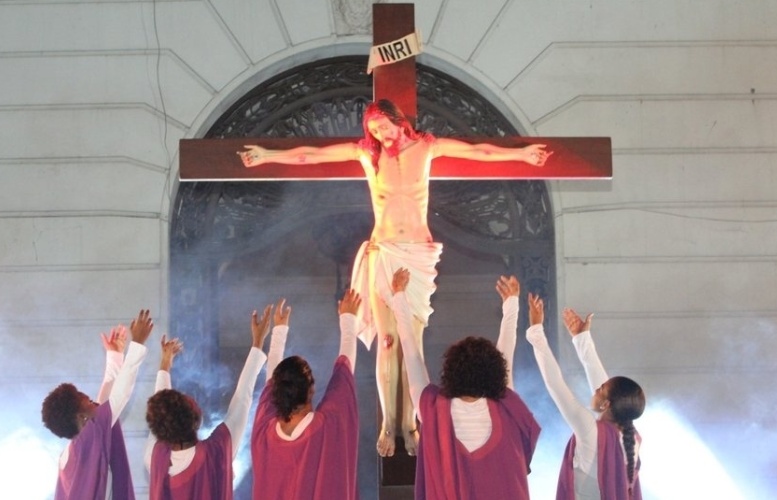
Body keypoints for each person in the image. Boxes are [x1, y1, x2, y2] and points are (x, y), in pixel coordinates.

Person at [239, 99, 551, 457]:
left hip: (417, 255)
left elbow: (479, 150)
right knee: (388, 342)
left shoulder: (428, 147)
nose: (381, 135)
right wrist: (265, 155)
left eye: (383, 127)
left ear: (397, 121)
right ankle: (390, 423)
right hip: (384, 252)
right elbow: (311, 155)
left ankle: (410, 424)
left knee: (411, 341)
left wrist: (523, 154)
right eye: (373, 131)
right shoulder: (367, 156)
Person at [390, 269, 541, 499]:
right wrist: (511, 304)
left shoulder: (432, 409)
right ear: (496, 372)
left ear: (450, 371)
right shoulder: (506, 406)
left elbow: (410, 351)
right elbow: (507, 348)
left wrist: (399, 296)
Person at [143, 302, 273, 499]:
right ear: (196, 419)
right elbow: (241, 402)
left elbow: (162, 410)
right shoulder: (216, 452)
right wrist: (257, 343)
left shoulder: (154, 458)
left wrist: (164, 365)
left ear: (158, 429)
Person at [525, 297, 646, 499]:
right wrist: (582, 339)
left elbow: (555, 384)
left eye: (600, 390)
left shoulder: (590, 430)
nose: (595, 389)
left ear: (607, 404)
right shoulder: (631, 437)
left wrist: (536, 331)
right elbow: (604, 385)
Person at [250, 290, 361, 499]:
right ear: (311, 389)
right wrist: (348, 319)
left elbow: (270, 383)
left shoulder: (264, 432)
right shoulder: (327, 425)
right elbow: (345, 372)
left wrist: (279, 331)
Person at [42, 309, 154, 500]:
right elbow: (119, 396)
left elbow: (106, 401)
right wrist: (137, 345)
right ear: (81, 417)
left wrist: (115, 356)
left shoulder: (70, 456)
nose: (87, 395)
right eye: (80, 396)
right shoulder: (89, 437)